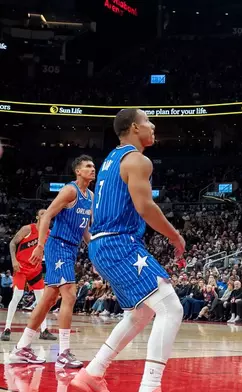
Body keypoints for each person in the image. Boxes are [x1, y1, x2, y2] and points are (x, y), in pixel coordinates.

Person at [70, 108, 186, 392]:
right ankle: (150, 387)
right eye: (148, 121)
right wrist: (175, 236)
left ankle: (92, 373)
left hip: (103, 243)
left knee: (140, 313)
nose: (153, 125)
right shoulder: (138, 160)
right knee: (171, 308)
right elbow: (145, 207)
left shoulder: (111, 158)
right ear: (135, 127)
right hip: (118, 242)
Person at [10, 155, 95, 368]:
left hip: (71, 248)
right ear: (78, 171)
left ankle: (22, 347)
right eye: (88, 166)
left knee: (48, 300)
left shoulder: (91, 196)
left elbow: (84, 227)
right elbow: (47, 215)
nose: (92, 169)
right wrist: (40, 246)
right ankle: (64, 352)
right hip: (58, 245)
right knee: (70, 294)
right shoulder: (70, 190)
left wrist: (93, 250)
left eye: (93, 166)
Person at [2, 209, 56, 341]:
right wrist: (14, 260)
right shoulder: (28, 229)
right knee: (17, 296)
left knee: (42, 301)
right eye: (43, 213)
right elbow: (12, 243)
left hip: (35, 270)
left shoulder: (49, 234)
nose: (46, 215)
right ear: (37, 217)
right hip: (21, 267)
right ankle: (7, 329)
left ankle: (44, 330)